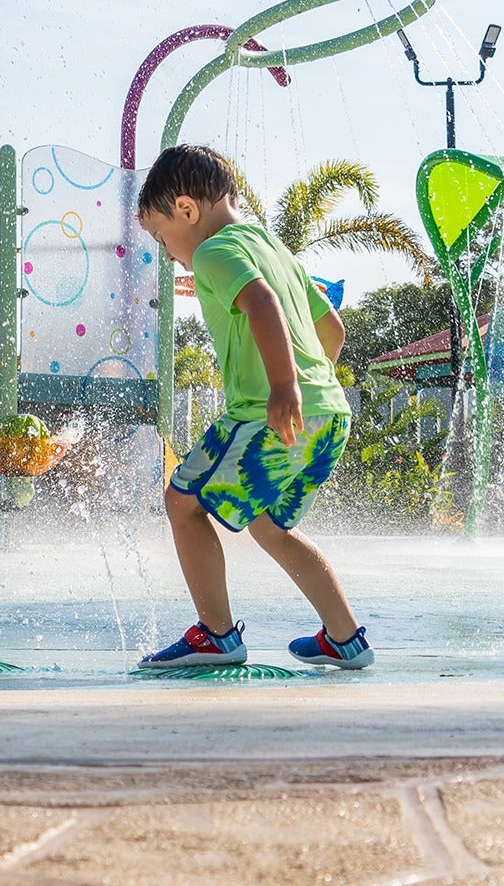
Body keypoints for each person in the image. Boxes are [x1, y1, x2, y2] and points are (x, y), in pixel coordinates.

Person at [135, 144, 372, 670]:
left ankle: (217, 635)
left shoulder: (213, 252)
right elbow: (332, 327)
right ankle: (345, 638)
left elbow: (261, 304)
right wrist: (311, 388)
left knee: (182, 503)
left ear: (186, 210)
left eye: (161, 236)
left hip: (264, 409)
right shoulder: (272, 247)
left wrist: (285, 388)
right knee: (269, 525)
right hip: (329, 413)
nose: (168, 252)